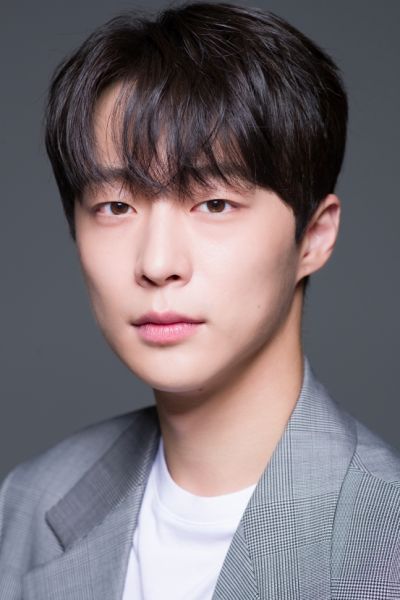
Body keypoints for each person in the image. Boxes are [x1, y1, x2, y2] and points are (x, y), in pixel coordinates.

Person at [1, 2, 399, 598]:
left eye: (214, 204)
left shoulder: (383, 542)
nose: (158, 263)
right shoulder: (28, 503)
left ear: (314, 237)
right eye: (116, 206)